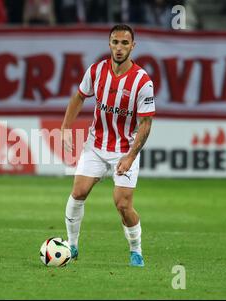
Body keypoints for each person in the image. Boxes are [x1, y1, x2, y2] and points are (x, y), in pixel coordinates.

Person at [61, 24, 155, 267]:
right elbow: (79, 96)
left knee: (123, 205)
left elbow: (145, 124)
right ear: (109, 44)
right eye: (115, 42)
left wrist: (131, 157)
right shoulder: (96, 71)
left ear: (133, 46)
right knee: (78, 192)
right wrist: (65, 128)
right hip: (96, 144)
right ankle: (72, 246)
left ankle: (136, 250)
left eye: (125, 43)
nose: (119, 47)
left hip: (125, 148)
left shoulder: (142, 81)